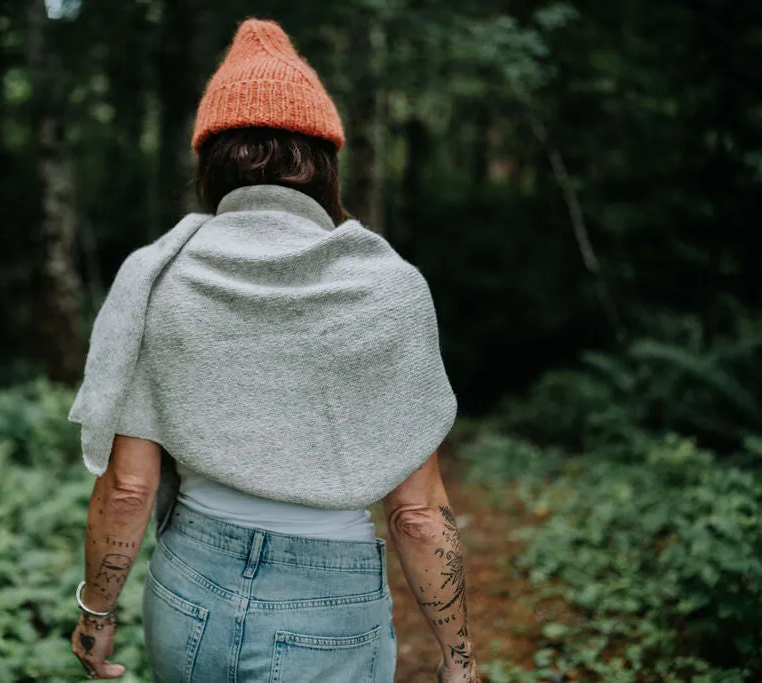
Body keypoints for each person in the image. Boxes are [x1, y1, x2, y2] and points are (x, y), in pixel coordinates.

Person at [67, 17, 481, 683]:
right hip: (331, 609)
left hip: (188, 594)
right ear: (324, 164)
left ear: (211, 163)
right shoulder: (388, 288)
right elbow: (418, 512)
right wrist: (458, 659)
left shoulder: (160, 276)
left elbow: (128, 486)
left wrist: (96, 609)